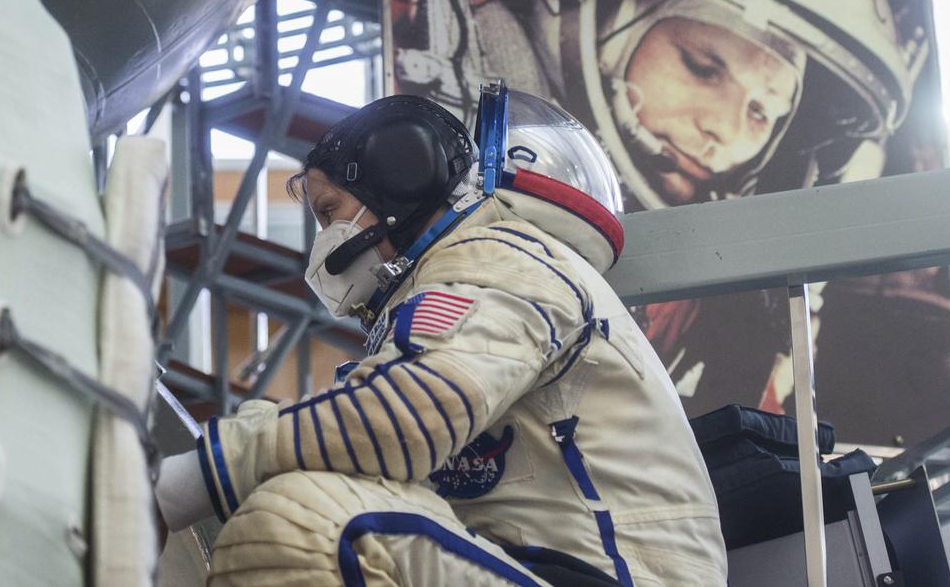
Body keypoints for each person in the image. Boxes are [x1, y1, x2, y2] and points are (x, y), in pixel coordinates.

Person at [155, 85, 728, 586]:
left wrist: (186, 482)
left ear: (400, 178)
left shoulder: (498, 258)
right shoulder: (450, 282)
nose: (326, 239)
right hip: (524, 565)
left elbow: (404, 417)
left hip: (606, 575)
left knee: (307, 521)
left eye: (331, 212)